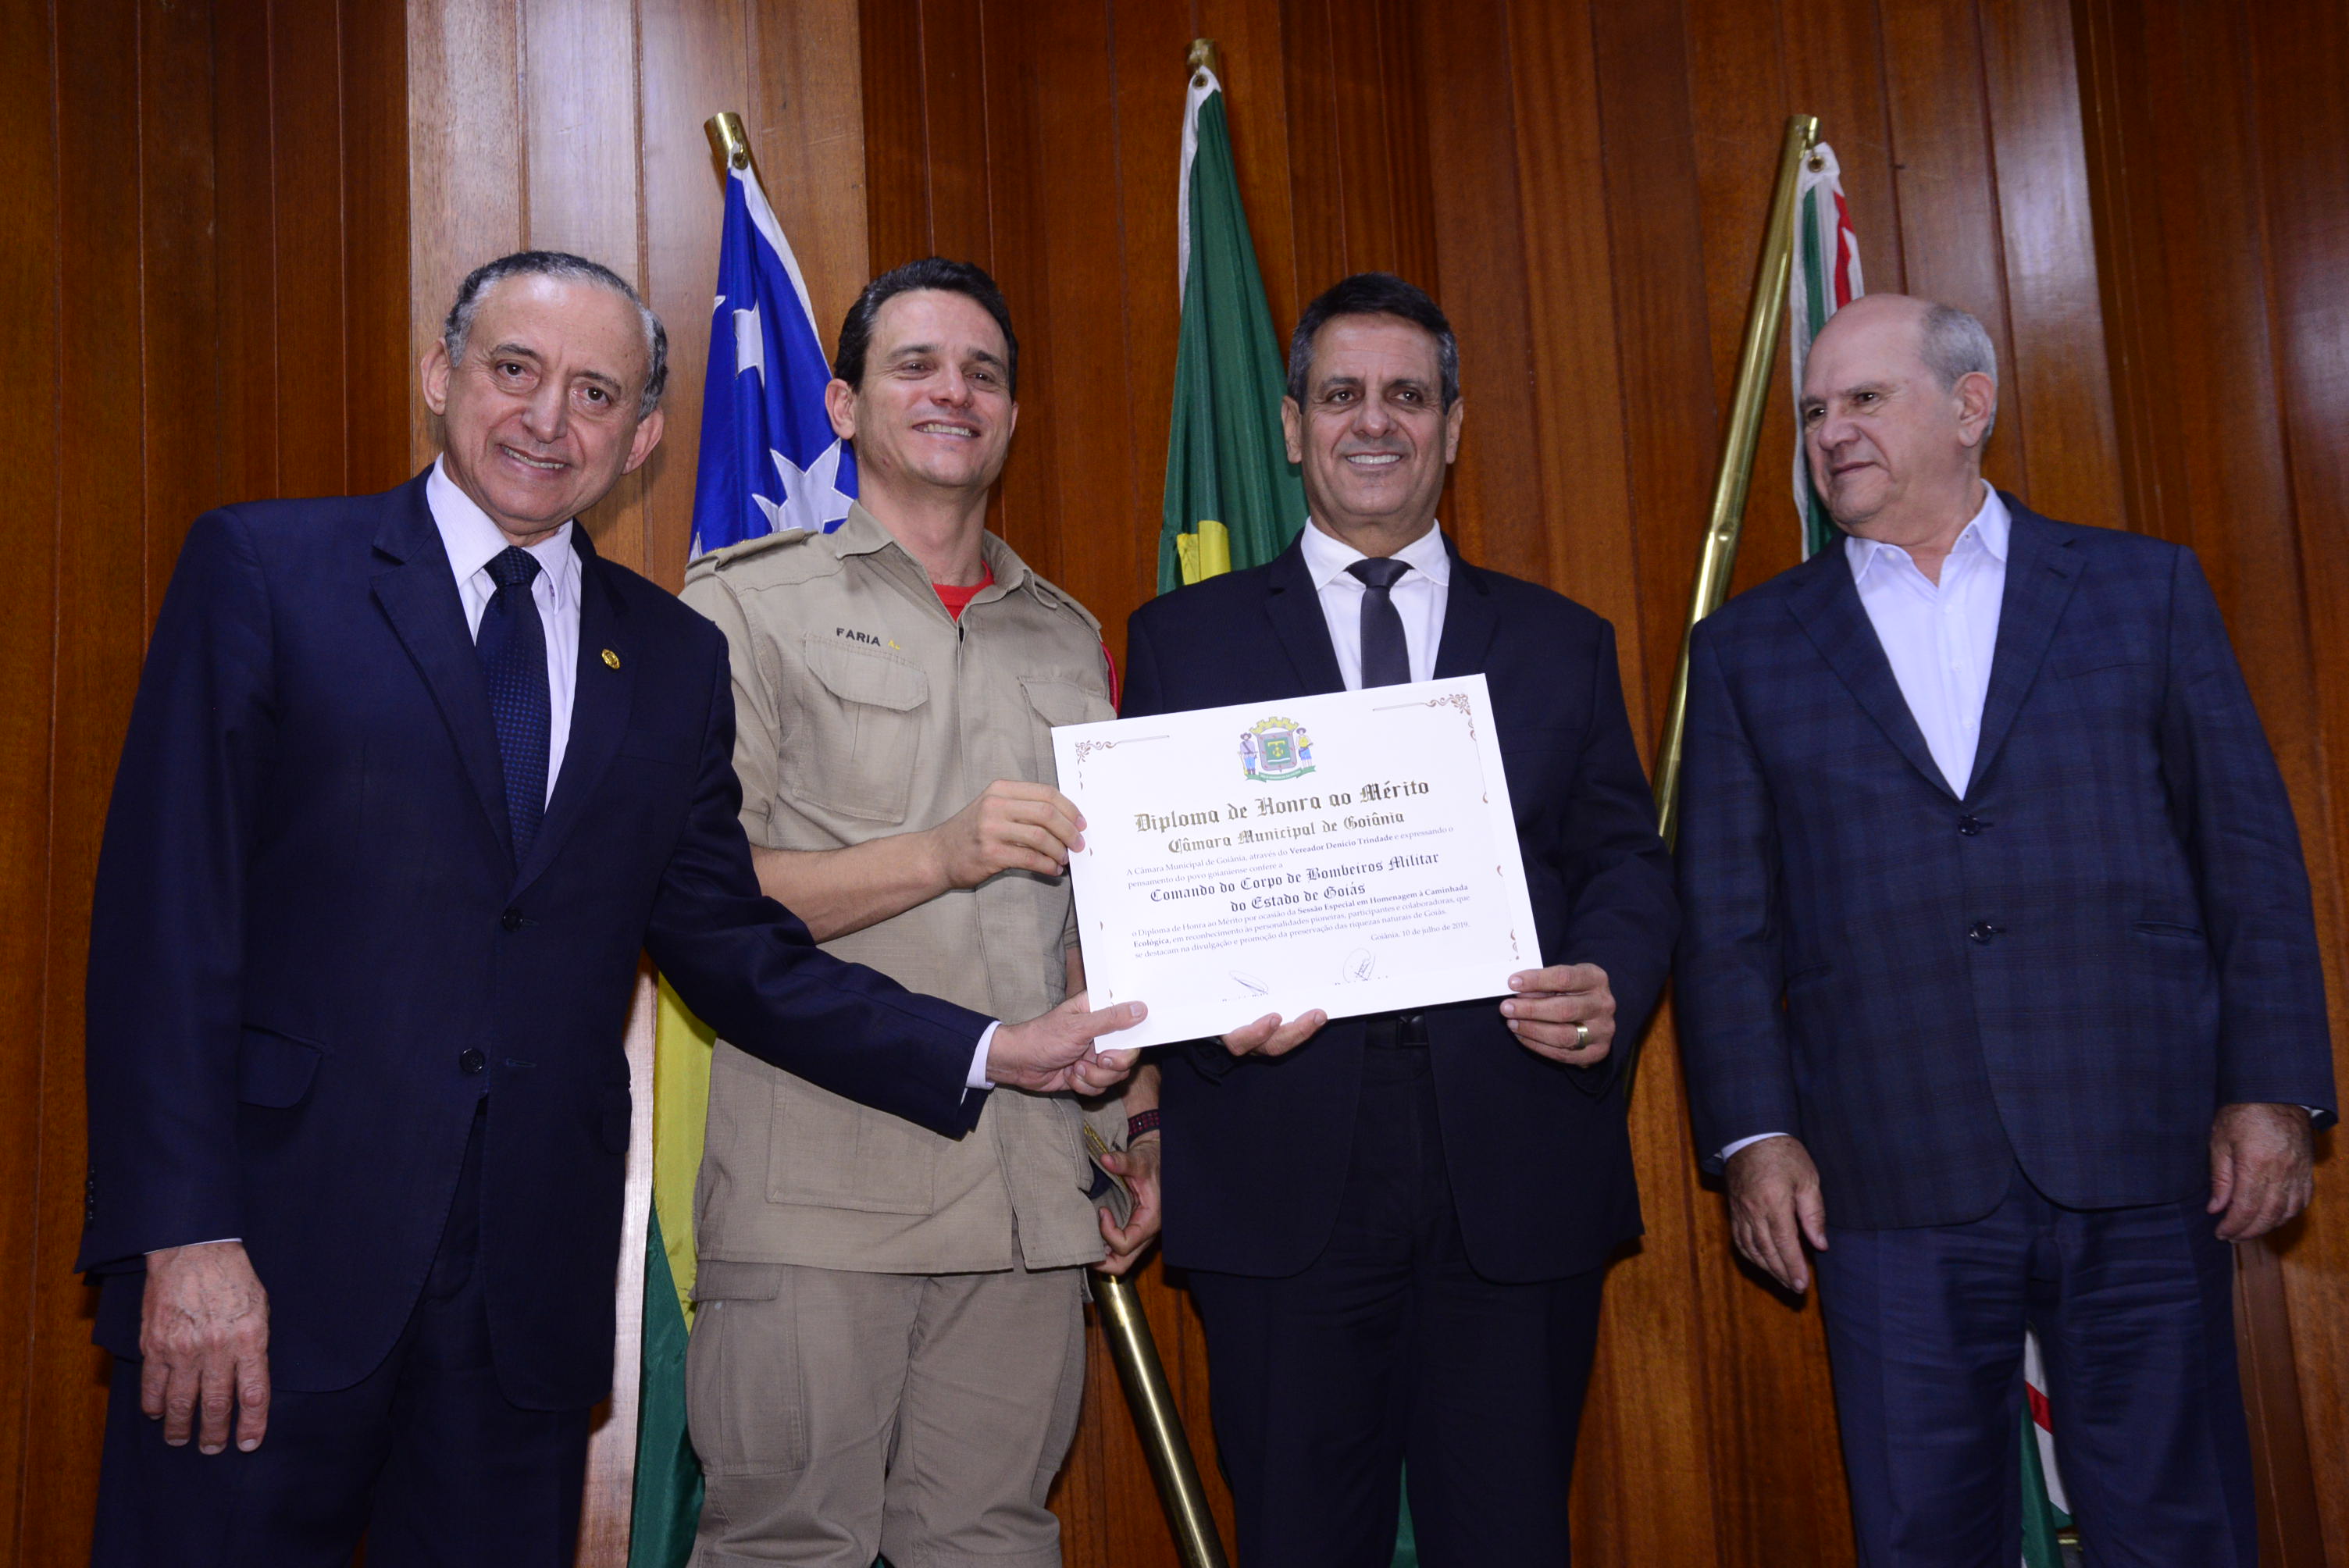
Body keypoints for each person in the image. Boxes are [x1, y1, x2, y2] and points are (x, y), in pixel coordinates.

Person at [76, 250, 1142, 1567]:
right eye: (514, 371)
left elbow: (731, 949)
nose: (548, 418)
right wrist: (184, 1233)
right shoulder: (269, 569)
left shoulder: (670, 653)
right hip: (269, 1264)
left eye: (595, 393)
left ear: (641, 437)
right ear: (441, 376)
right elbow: (165, 929)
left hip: (522, 1300)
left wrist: (989, 1051)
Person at [1674, 292, 2336, 1566]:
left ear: (1971, 406)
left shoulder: (2141, 589)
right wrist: (1755, 1137)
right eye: (1813, 411)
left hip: (2141, 1151)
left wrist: (2270, 1091)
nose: (1830, 432)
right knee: (1925, 1534)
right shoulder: (1749, 648)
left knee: (2177, 1525)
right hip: (1886, 1173)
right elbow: (1725, 928)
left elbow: (2248, 859)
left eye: (1865, 399)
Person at [1120, 273, 1677, 1566]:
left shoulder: (1560, 641)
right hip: (1278, 1169)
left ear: (1453, 424)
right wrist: (1205, 1017)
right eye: (1342, 395)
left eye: (1408, 396)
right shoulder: (1182, 643)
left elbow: (1625, 863)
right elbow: (1154, 882)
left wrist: (1607, 982)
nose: (1375, 422)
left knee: (1511, 1540)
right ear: (1291, 425)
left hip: (1515, 1168)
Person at [677, 257, 1157, 1567]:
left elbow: (1103, 924)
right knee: (788, 1548)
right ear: (842, 405)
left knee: (991, 1545)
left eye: (983, 373)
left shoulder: (1067, 636)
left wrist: (1143, 1120)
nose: (955, 392)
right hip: (822, 1201)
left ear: (1012, 415)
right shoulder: (739, 608)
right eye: (916, 367)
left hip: (1029, 1196)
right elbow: (710, 898)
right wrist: (940, 854)